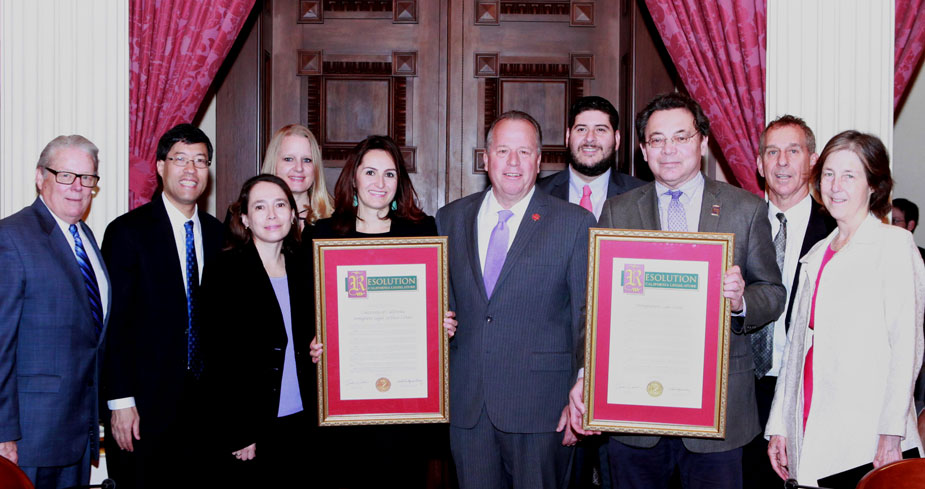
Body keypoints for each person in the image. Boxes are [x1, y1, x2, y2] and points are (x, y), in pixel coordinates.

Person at [568, 92, 786, 489]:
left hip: (717, 414)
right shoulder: (618, 210)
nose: (669, 150)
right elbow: (594, 305)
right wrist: (588, 374)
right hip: (633, 411)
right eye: (657, 140)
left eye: (681, 138)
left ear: (702, 143)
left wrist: (740, 302)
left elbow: (772, 292)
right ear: (643, 151)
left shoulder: (745, 208)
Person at [436, 111, 597, 488]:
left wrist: (583, 388)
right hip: (468, 407)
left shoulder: (574, 223)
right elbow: (440, 305)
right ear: (485, 158)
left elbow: (587, 316)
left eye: (524, 152)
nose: (513, 162)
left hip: (542, 410)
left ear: (539, 161)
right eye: (503, 150)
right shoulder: (450, 219)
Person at [766, 130, 925, 485]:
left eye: (849, 175)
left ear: (873, 185)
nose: (835, 185)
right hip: (809, 423)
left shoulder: (894, 246)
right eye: (828, 174)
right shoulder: (818, 253)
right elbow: (795, 349)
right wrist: (779, 426)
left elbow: (907, 348)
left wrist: (891, 432)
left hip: (867, 435)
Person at [309, 135, 457, 488]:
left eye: (390, 174)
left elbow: (432, 300)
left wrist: (441, 322)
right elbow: (308, 311)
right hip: (345, 398)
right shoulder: (324, 235)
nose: (380, 183)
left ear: (399, 182)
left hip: (404, 401)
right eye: (371, 172)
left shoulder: (421, 231)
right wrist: (313, 342)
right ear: (354, 177)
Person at [101, 124, 225, 488]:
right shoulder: (127, 232)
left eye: (200, 161)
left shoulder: (220, 235)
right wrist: (119, 400)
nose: (191, 170)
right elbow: (114, 322)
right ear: (159, 167)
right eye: (180, 160)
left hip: (205, 409)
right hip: (143, 406)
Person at [0, 135, 110, 489]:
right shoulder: (12, 237)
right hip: (29, 439)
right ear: (40, 177)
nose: (77, 187)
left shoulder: (87, 239)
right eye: (65, 175)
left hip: (77, 435)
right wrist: (4, 434)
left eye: (87, 178)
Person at [201, 174, 314, 488]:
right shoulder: (224, 271)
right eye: (260, 207)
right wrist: (238, 431)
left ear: (293, 214)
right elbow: (215, 359)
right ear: (246, 219)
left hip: (304, 420)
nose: (272, 215)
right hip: (251, 428)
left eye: (280, 205)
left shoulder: (306, 266)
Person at [743, 115, 836, 489]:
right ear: (759, 163)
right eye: (772, 151)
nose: (782, 162)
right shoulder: (735, 224)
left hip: (807, 393)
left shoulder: (835, 231)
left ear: (812, 160)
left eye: (793, 151)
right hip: (742, 392)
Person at [537, 95, 644, 220]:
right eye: (581, 129)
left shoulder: (641, 195)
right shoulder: (537, 194)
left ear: (617, 139)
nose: (589, 138)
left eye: (600, 130)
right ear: (567, 137)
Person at [260, 124, 334, 229]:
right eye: (289, 159)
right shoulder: (243, 215)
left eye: (307, 160)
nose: (299, 168)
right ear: (273, 163)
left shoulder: (339, 221)